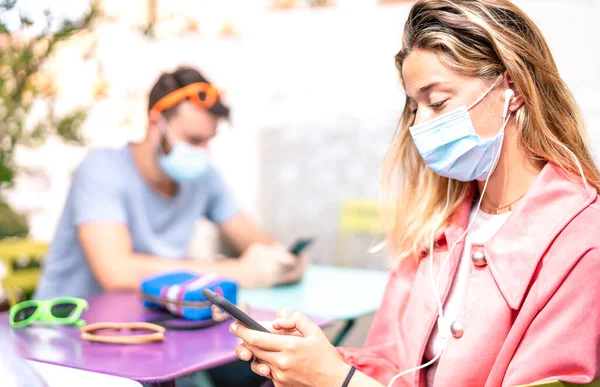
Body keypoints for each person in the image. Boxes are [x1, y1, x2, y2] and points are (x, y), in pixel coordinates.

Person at [229, 0, 600, 386]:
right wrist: (313, 361)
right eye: (414, 107)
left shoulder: (582, 242)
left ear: (514, 88)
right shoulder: (437, 228)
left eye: (437, 102)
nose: (419, 124)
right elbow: (390, 366)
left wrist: (338, 380)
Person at [35, 66, 307, 300]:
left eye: (208, 140)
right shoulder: (101, 169)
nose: (203, 151)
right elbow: (116, 271)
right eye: (193, 140)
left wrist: (282, 260)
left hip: (142, 331)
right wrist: (239, 273)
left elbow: (251, 238)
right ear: (156, 123)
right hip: (62, 332)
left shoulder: (203, 176)